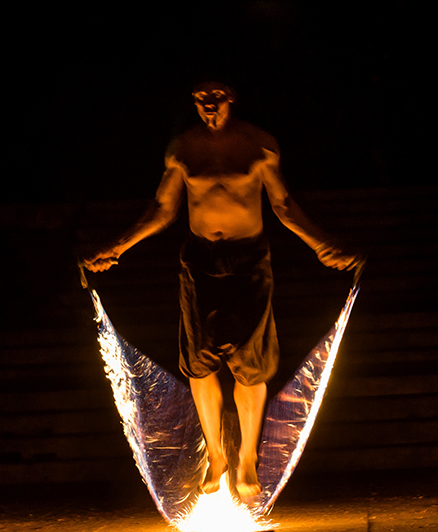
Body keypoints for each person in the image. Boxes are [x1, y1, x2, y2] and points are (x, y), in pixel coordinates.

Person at [84, 81, 359, 498]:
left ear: (231, 97)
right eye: (199, 98)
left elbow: (283, 205)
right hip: (199, 261)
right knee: (199, 362)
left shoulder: (259, 145)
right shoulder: (183, 148)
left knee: (251, 363)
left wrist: (321, 243)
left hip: (249, 259)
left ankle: (247, 457)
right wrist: (117, 248)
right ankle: (216, 454)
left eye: (215, 97)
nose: (208, 105)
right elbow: (163, 208)